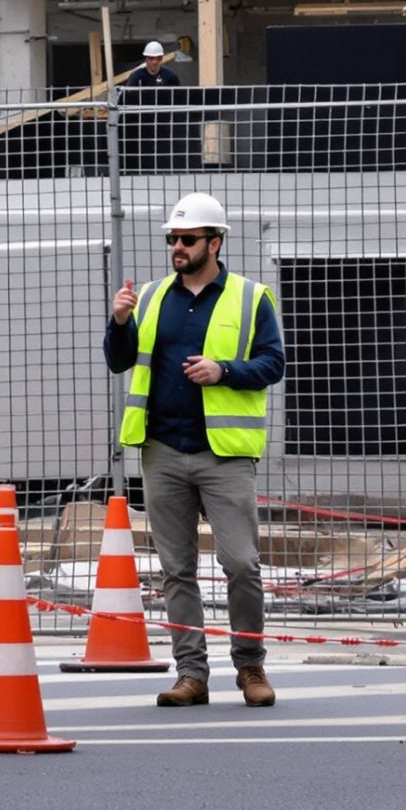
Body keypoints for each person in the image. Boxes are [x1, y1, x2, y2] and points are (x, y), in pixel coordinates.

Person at [101, 193, 286, 710]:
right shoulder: (152, 297)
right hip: (161, 449)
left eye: (187, 239)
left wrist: (223, 371)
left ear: (215, 242)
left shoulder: (251, 298)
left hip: (224, 454)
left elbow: (273, 363)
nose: (177, 247)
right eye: (173, 239)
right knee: (176, 570)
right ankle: (191, 674)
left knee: (242, 564)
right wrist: (119, 322)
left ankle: (250, 665)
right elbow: (119, 361)